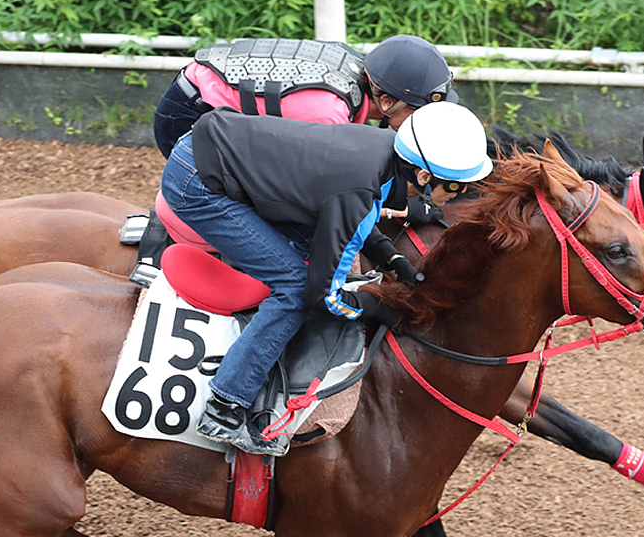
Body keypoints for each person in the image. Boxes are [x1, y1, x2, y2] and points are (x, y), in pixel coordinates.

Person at [160, 101, 493, 456]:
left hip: (219, 154)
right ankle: (224, 408)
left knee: (308, 261)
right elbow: (322, 296)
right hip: (196, 183)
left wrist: (392, 258)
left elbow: (356, 218)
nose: (455, 196)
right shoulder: (360, 187)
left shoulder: (386, 154)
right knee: (293, 287)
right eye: (457, 188)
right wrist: (374, 307)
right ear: (423, 177)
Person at [152, 34, 458, 157]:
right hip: (188, 115)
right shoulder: (329, 111)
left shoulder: (351, 67)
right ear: (388, 101)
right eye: (420, 113)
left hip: (197, 89)